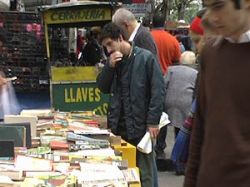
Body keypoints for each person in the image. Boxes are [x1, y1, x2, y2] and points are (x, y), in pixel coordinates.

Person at [184, 0, 250, 186]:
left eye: (219, 6)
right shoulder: (211, 54)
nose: (212, 17)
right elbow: (200, 128)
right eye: (209, 8)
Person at [97, 23, 165, 187]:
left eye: (110, 44)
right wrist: (109, 67)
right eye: (105, 47)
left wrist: (153, 121)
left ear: (120, 38)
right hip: (119, 128)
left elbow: (158, 91)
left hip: (141, 128)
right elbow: (103, 87)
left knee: (145, 173)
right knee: (123, 172)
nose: (108, 50)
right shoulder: (112, 63)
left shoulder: (146, 58)